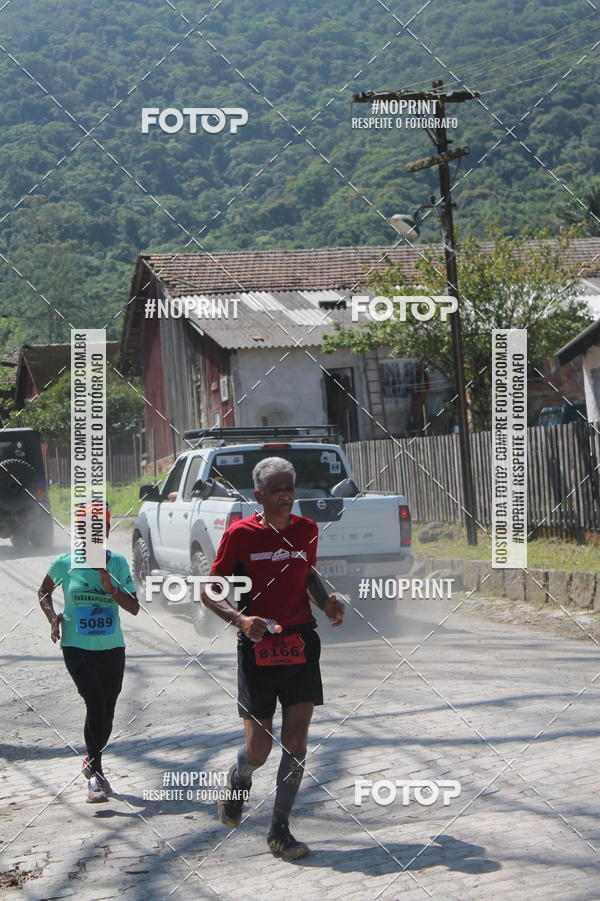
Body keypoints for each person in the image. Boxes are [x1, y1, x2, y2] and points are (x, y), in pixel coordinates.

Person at [201, 456, 345, 861]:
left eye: (290, 488)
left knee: (296, 739)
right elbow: (210, 590)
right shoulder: (240, 535)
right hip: (257, 649)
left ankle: (280, 830)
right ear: (258, 496)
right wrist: (241, 619)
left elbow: (308, 575)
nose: (286, 496)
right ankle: (239, 777)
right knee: (259, 749)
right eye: (277, 490)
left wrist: (327, 603)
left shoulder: (306, 530)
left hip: (300, 643)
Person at [38, 502, 139, 803]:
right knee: (95, 703)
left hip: (112, 648)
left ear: (106, 532)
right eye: (85, 531)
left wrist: (110, 588)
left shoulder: (117, 564)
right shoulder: (64, 563)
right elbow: (43, 592)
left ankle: (90, 759)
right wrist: (52, 616)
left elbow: (134, 607)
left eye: (99, 531)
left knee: (106, 713)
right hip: (76, 647)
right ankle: (95, 775)